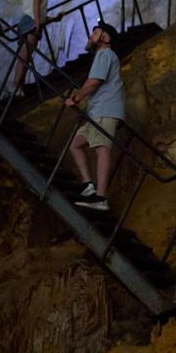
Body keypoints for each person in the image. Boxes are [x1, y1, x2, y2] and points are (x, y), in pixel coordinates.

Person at [64, 21, 124, 212]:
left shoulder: (105, 53)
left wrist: (76, 98)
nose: (91, 35)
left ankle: (100, 197)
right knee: (75, 145)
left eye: (96, 32)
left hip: (105, 109)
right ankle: (88, 185)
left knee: (102, 150)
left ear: (105, 38)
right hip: (97, 111)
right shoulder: (102, 55)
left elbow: (94, 82)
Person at [11, 0, 48, 97]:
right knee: (25, 57)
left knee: (22, 56)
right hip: (32, 22)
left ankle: (18, 88)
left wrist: (52, 18)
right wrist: (38, 23)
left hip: (25, 21)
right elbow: (36, 3)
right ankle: (16, 87)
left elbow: (31, 8)